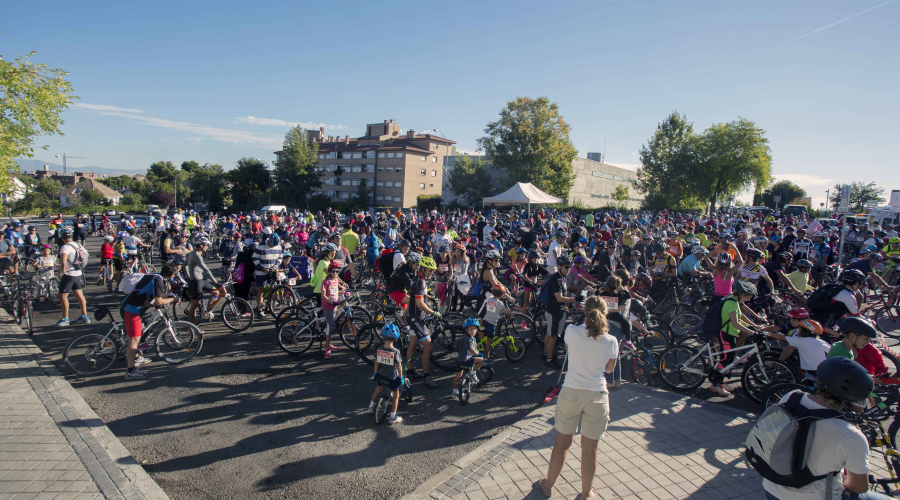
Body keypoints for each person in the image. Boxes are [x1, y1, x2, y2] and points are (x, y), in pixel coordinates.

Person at [762, 357, 884, 500]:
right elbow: (859, 487)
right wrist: (844, 479)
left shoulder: (791, 397)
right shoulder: (851, 436)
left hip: (772, 488)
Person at [537, 295, 618, 500]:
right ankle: (585, 493)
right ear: (605, 313)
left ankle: (548, 485)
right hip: (597, 396)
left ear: (584, 310)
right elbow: (609, 369)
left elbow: (569, 350)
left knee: (561, 444)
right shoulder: (611, 340)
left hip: (571, 391)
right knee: (590, 449)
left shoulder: (572, 332)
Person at [121, 265, 178, 378]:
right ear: (171, 275)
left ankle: (136, 357)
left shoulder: (155, 276)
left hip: (130, 306)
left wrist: (169, 296)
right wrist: (173, 299)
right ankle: (131, 371)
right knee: (134, 340)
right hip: (133, 310)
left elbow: (157, 294)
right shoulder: (159, 280)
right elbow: (158, 301)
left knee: (145, 327)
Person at [710, 281, 764, 396]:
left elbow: (741, 316)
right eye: (748, 296)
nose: (749, 299)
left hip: (731, 333)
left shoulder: (733, 300)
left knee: (729, 359)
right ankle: (715, 385)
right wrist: (752, 332)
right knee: (725, 360)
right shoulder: (732, 303)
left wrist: (754, 325)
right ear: (742, 293)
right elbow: (735, 323)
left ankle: (721, 381)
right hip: (727, 334)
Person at [405, 255, 440, 389]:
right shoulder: (421, 282)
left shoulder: (418, 278)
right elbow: (419, 304)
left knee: (413, 343)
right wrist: (433, 312)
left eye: (433, 270)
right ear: (424, 269)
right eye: (430, 270)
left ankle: (410, 371)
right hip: (417, 318)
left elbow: (415, 296)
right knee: (428, 346)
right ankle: (427, 376)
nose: (432, 273)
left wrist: (428, 296)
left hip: (413, 316)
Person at [366, 323, 404, 425]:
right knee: (396, 395)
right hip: (393, 377)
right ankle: (393, 416)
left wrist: (375, 373)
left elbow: (376, 363)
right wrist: (401, 377)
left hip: (382, 375)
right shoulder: (396, 352)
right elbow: (399, 366)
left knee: (378, 389)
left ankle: (371, 407)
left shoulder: (379, 350)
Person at [52, 228, 90, 327]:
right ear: (71, 236)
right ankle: (84, 316)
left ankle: (65, 319)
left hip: (69, 274)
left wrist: (61, 271)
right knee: (79, 295)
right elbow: (87, 254)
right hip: (78, 272)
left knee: (62, 296)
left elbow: (63, 261)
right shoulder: (78, 244)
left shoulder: (65, 247)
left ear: (61, 237)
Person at [544, 255, 576, 369]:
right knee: (553, 336)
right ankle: (549, 359)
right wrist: (575, 300)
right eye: (566, 267)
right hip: (555, 311)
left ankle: (546, 354)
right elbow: (560, 298)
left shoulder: (561, 277)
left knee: (549, 333)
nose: (568, 270)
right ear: (559, 266)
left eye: (569, 267)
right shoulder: (556, 279)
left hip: (553, 310)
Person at [185, 238, 224, 325]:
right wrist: (214, 281)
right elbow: (206, 269)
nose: (207, 247)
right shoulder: (196, 255)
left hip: (200, 280)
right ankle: (192, 326)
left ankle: (208, 311)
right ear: (201, 246)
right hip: (196, 281)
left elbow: (185, 265)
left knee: (216, 292)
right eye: (206, 245)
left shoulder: (191, 253)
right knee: (194, 305)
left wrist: (188, 274)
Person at [252, 234, 284, 318]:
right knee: (261, 289)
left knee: (272, 289)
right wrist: (262, 268)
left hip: (272, 270)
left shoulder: (278, 246)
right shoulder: (261, 246)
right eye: (271, 245)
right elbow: (254, 258)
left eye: (274, 245)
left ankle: (268, 307)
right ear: (269, 240)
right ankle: (259, 310)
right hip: (261, 271)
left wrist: (275, 266)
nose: (272, 246)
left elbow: (280, 258)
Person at [452, 318, 484, 399]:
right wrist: (479, 354)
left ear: (477, 330)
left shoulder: (470, 338)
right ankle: (472, 373)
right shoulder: (468, 339)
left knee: (458, 376)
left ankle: (454, 391)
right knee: (481, 360)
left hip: (460, 360)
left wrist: (476, 351)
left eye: (474, 329)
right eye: (470, 329)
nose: (473, 331)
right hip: (466, 360)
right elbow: (472, 350)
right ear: (466, 330)